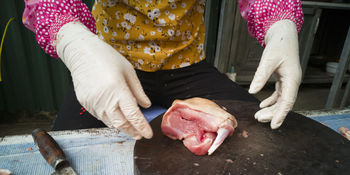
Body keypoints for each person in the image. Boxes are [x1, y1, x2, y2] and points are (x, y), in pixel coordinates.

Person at [22, 0, 304, 140]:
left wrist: (280, 23)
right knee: (67, 145)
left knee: (259, 134)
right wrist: (71, 39)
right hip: (112, 67)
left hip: (188, 66)